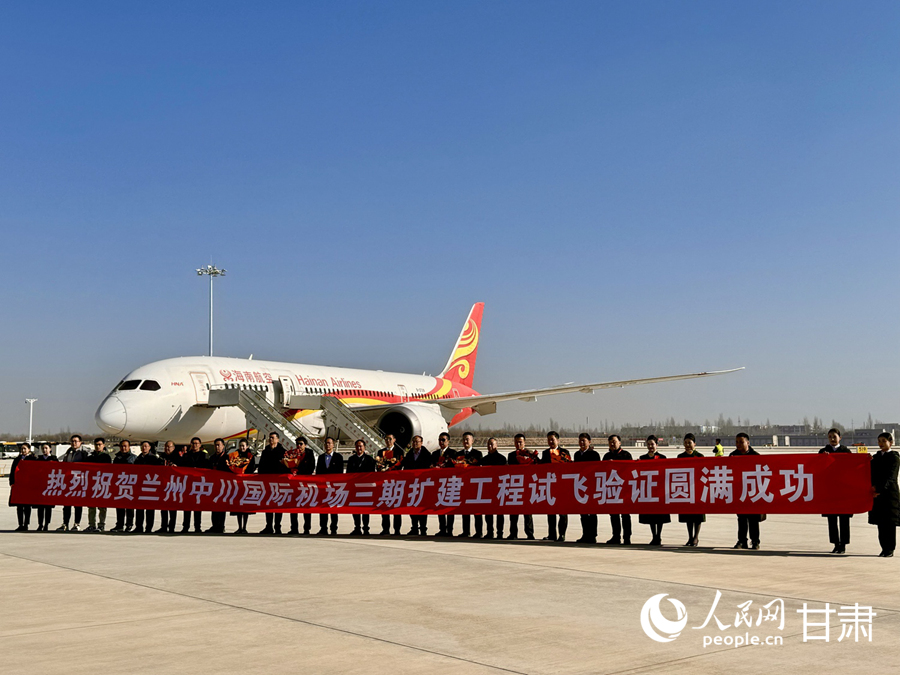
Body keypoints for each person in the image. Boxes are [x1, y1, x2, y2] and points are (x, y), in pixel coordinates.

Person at [819, 428, 853, 554]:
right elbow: (816, 467)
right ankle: (835, 543)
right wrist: (822, 459)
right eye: (830, 437)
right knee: (832, 520)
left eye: (834, 436)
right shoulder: (823, 451)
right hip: (829, 491)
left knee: (844, 519)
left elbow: (853, 467)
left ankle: (843, 544)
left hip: (843, 490)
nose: (832, 439)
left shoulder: (846, 451)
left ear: (840, 437)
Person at [869, 432, 899, 558]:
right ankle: (883, 548)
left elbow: (891, 477)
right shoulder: (876, 458)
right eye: (879, 441)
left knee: (889, 524)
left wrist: (879, 489)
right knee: (881, 523)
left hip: (890, 494)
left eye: (883, 441)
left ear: (890, 442)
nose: (881, 443)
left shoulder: (894, 457)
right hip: (877, 495)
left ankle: (890, 549)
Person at [730, 432, 762, 550]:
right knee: (741, 518)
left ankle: (755, 541)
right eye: (736, 442)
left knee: (753, 518)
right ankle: (742, 541)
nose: (738, 444)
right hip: (739, 492)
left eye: (741, 442)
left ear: (748, 442)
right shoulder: (733, 456)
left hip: (753, 491)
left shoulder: (756, 456)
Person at [638, 435, 670, 545]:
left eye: (652, 444)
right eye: (648, 444)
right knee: (651, 515)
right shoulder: (642, 458)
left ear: (657, 445)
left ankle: (659, 536)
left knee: (659, 515)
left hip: (659, 490)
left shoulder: (662, 458)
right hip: (648, 491)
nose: (651, 446)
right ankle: (654, 536)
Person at [541, 431, 571, 542]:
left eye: (552, 439)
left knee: (562, 513)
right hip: (550, 485)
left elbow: (569, 467)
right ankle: (552, 534)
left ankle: (562, 534)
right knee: (550, 512)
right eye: (548, 439)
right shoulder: (545, 453)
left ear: (558, 440)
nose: (550, 441)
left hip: (562, 486)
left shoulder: (564, 452)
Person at [603, 434, 633, 545]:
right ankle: (616, 536)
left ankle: (627, 537)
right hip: (612, 489)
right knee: (613, 514)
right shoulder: (606, 456)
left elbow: (630, 470)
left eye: (614, 441)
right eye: (610, 442)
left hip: (624, 489)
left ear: (620, 443)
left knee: (625, 515)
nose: (612, 444)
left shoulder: (626, 455)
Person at [677, 433, 705, 546]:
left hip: (697, 489)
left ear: (695, 444)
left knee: (697, 515)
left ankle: (696, 537)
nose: (687, 445)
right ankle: (689, 537)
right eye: (685, 443)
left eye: (690, 443)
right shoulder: (680, 457)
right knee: (688, 514)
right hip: (685, 489)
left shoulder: (700, 456)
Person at [258, 432, 288, 534]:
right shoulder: (265, 451)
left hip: (278, 483)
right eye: (269, 438)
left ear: (277, 440)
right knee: (268, 505)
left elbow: (285, 467)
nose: (270, 440)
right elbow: (261, 466)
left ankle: (277, 526)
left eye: (272, 438)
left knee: (278, 505)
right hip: (267, 482)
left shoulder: (283, 452)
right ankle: (269, 526)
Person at [507, 434, 537, 540]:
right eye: (516, 442)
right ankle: (513, 533)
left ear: (524, 442)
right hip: (515, 486)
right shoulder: (511, 455)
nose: (518, 444)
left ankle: (529, 533)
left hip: (527, 486)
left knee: (527, 512)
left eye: (520, 442)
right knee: (513, 512)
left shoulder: (530, 454)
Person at [402, 435, 432, 536]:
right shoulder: (410, 454)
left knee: (422, 508)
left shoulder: (427, 454)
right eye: (414, 441)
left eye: (417, 442)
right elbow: (405, 466)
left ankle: (423, 528)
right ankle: (414, 527)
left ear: (421, 443)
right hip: (412, 485)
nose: (415, 443)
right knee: (412, 507)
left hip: (422, 484)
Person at [573, 433, 601, 543]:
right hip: (580, 487)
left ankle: (592, 535)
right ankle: (585, 534)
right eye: (580, 440)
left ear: (589, 442)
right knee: (583, 513)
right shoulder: (576, 454)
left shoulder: (594, 454)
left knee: (592, 513)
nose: (582, 443)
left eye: (584, 440)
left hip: (592, 486)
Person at [133, 441, 164, 533]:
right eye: (143, 446)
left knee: (150, 509)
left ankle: (149, 528)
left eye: (146, 446)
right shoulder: (138, 459)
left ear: (150, 447)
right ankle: (139, 527)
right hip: (140, 486)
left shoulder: (154, 459)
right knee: (139, 509)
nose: (144, 448)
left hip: (151, 486)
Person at [58, 434, 88, 531]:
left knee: (77, 504)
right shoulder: (68, 452)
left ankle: (76, 524)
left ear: (80, 442)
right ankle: (65, 523)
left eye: (76, 441)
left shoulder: (84, 453)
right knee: (66, 505)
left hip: (79, 482)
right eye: (72, 441)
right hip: (69, 482)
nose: (74, 443)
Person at [347, 439, 376, 535]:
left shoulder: (369, 459)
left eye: (361, 446)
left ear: (364, 447)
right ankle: (357, 527)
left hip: (365, 488)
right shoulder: (351, 459)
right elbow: (348, 474)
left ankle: (366, 528)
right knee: (355, 509)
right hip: (355, 488)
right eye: (357, 446)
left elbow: (372, 474)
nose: (359, 448)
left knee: (365, 509)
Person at [377, 433, 404, 535]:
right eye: (386, 439)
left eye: (390, 439)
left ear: (394, 440)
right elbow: (377, 466)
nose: (388, 441)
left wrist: (390, 469)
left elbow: (400, 465)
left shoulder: (399, 452)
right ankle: (385, 529)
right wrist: (381, 467)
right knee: (385, 507)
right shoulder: (380, 452)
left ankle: (397, 530)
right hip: (384, 483)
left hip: (396, 482)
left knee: (396, 508)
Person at [180, 437, 209, 533]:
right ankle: (185, 526)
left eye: (197, 443)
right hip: (188, 484)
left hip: (199, 484)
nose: (195, 445)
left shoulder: (204, 456)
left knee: (197, 507)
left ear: (200, 445)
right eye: (193, 443)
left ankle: (197, 527)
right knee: (187, 507)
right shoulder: (186, 456)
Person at [316, 437, 344, 535]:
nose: (328, 445)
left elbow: (340, 472)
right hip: (323, 487)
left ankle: (333, 528)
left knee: (333, 509)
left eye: (329, 443)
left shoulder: (338, 457)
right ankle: (323, 528)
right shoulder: (320, 457)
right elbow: (318, 472)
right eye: (326, 443)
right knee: (323, 509)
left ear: (333, 445)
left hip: (334, 488)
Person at [229, 438, 257, 534]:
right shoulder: (234, 455)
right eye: (240, 446)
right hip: (237, 484)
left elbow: (252, 468)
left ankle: (244, 526)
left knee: (245, 507)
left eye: (243, 446)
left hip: (246, 484)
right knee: (238, 507)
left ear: (247, 446)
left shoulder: (250, 457)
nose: (242, 447)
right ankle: (239, 526)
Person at [288, 436, 315, 535]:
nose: (299, 446)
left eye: (301, 444)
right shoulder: (292, 453)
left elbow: (311, 466)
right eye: (297, 444)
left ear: (305, 445)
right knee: (293, 507)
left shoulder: (309, 453)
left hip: (305, 484)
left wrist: (300, 472)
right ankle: (294, 528)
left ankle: (306, 528)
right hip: (295, 484)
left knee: (305, 507)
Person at [84, 438, 112, 532]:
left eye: (100, 444)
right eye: (96, 444)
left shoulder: (106, 457)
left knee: (102, 506)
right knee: (91, 506)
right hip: (92, 484)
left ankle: (101, 525)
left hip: (102, 483)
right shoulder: (90, 457)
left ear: (103, 445)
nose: (98, 446)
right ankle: (91, 524)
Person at [459, 432, 484, 538]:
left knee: (476, 510)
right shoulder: (458, 454)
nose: (466, 441)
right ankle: (466, 531)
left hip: (475, 485)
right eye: (464, 439)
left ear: (472, 441)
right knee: (465, 510)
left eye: (467, 439)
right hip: (463, 485)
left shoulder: (478, 454)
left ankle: (479, 532)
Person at [434, 432, 458, 536]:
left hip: (450, 483)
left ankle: (450, 530)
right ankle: (442, 529)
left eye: (443, 440)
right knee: (440, 507)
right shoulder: (434, 454)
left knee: (449, 508)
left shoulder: (453, 453)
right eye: (439, 440)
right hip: (439, 483)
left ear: (448, 441)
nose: (441, 442)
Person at [481, 437, 506, 539]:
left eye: (492, 444)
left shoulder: (502, 459)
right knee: (488, 513)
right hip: (488, 489)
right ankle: (489, 532)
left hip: (499, 488)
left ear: (496, 445)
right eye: (488, 444)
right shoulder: (484, 460)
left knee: (500, 513)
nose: (490, 446)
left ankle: (500, 533)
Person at [206, 438, 230, 533]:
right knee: (214, 506)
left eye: (219, 445)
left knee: (221, 507)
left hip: (223, 485)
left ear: (223, 446)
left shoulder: (227, 457)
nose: (217, 447)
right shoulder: (212, 458)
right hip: (213, 485)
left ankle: (221, 526)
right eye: (215, 445)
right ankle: (214, 525)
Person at [110, 440, 136, 533]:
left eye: (125, 446)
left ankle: (129, 525)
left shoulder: (134, 458)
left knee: (129, 508)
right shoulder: (117, 458)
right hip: (119, 485)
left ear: (129, 447)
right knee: (119, 507)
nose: (123, 448)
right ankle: (119, 525)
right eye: (122, 446)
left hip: (130, 486)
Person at [157, 441, 180, 533]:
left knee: (172, 509)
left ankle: (171, 527)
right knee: (163, 508)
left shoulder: (178, 458)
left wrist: (176, 467)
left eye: (169, 447)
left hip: (173, 486)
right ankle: (163, 526)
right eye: (166, 447)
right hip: (163, 486)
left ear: (173, 448)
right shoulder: (161, 458)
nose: (167, 449)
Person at [10, 443, 33, 531]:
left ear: (29, 450)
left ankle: (26, 524)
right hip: (18, 486)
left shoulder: (32, 459)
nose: (23, 450)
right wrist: (12, 482)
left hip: (28, 486)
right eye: (22, 449)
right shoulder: (17, 459)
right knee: (19, 506)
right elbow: (12, 471)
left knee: (27, 506)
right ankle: (20, 524)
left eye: (25, 449)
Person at [34, 444, 58, 531]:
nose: (44, 450)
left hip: (50, 485)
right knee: (40, 507)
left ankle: (47, 524)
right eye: (43, 448)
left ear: (50, 449)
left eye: (46, 448)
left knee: (48, 507)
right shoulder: (38, 459)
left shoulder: (54, 458)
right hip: (40, 485)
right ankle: (40, 524)